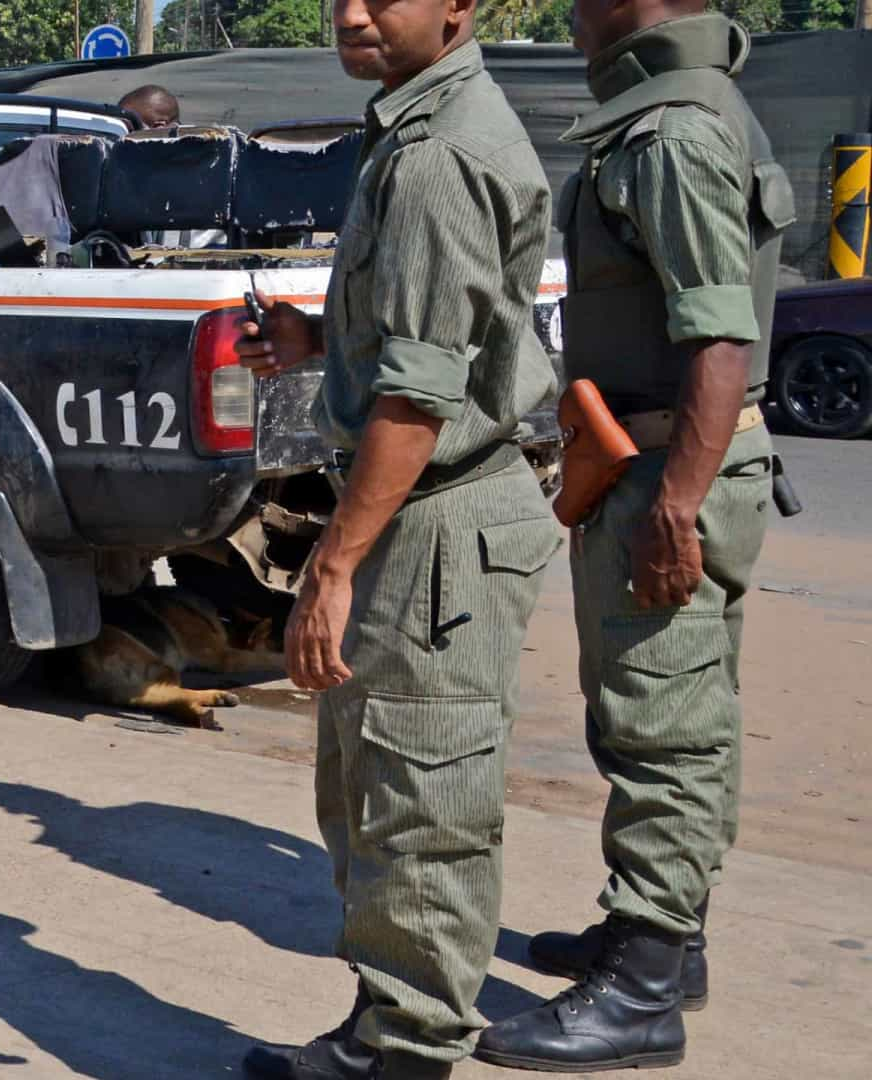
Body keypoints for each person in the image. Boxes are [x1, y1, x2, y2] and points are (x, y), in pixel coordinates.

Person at [234, 0, 559, 1074]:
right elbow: (441, 334)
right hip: (424, 510)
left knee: (419, 806)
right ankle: (387, 1026)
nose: (353, 12)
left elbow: (421, 401)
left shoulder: (436, 158)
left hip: (433, 521)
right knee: (373, 790)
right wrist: (321, 340)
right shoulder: (417, 129)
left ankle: (408, 1051)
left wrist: (333, 565)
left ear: (460, 6)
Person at [473, 3, 789, 1072]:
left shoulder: (673, 132)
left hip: (666, 469)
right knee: (668, 710)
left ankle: (645, 992)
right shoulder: (676, 110)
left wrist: (675, 505)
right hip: (651, 460)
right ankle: (665, 937)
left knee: (663, 728)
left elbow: (718, 338)